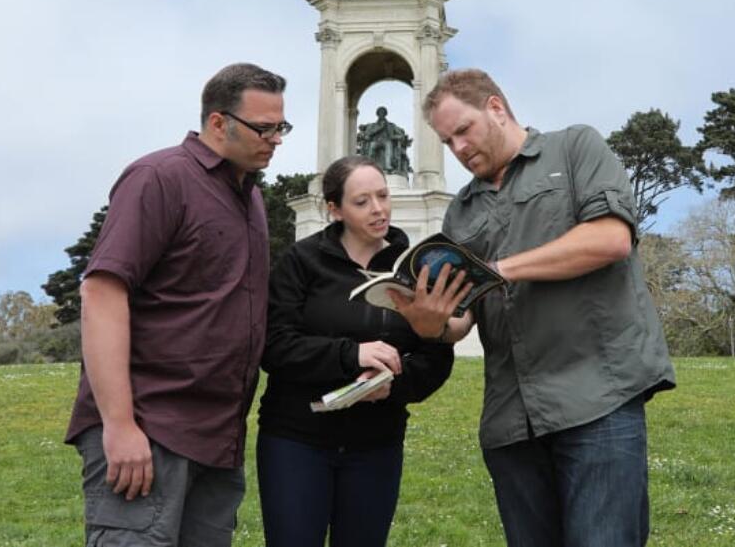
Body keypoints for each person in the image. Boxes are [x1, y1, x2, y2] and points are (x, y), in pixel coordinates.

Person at [391, 69, 676, 547]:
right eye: (447, 141)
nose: (458, 148)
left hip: (597, 401)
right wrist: (432, 323)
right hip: (511, 423)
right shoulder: (460, 211)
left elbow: (609, 239)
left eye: (464, 130)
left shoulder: (575, 148)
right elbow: (462, 317)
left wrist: (502, 267)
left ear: (497, 109)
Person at [64, 62, 291, 547]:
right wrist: (120, 426)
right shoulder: (159, 177)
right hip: (149, 433)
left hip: (218, 440)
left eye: (281, 127)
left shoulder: (249, 196)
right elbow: (102, 293)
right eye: (264, 128)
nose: (275, 139)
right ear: (217, 123)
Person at [257, 155, 454, 547]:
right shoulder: (301, 261)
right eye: (362, 201)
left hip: (376, 445)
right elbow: (274, 345)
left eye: (382, 195)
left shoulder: (415, 269)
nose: (379, 208)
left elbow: (435, 354)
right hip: (295, 441)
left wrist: (393, 385)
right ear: (335, 210)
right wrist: (352, 355)